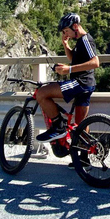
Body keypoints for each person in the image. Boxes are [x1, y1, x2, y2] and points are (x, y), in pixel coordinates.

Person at [35, 13, 100, 143]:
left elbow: (95, 62)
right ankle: (84, 155)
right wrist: (66, 45)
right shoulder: (80, 41)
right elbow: (73, 59)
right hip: (87, 84)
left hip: (80, 82)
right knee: (80, 124)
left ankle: (58, 126)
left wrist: (68, 69)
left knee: (41, 93)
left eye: (66, 31)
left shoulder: (86, 40)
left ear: (75, 26)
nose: (66, 34)